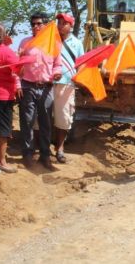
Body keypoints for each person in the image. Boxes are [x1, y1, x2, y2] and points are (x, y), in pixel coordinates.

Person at [17, 12, 62, 171]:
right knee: (27, 122)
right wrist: (18, 84)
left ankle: (45, 155)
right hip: (28, 86)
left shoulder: (54, 43)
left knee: (46, 123)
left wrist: (57, 73)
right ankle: (28, 154)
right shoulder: (25, 43)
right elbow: (17, 66)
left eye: (38, 24)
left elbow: (58, 64)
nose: (35, 27)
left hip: (46, 88)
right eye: (33, 24)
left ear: (46, 25)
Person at [53, 13, 84, 163]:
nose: (60, 25)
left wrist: (77, 77)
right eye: (59, 22)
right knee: (42, 117)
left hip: (67, 85)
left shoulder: (77, 44)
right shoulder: (50, 40)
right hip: (48, 83)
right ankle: (41, 148)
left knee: (64, 119)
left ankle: (60, 149)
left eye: (64, 23)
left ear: (71, 26)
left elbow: (82, 63)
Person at [0, 23, 20, 173]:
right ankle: (1, 161)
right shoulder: (7, 52)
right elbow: (18, 69)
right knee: (3, 129)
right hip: (5, 95)